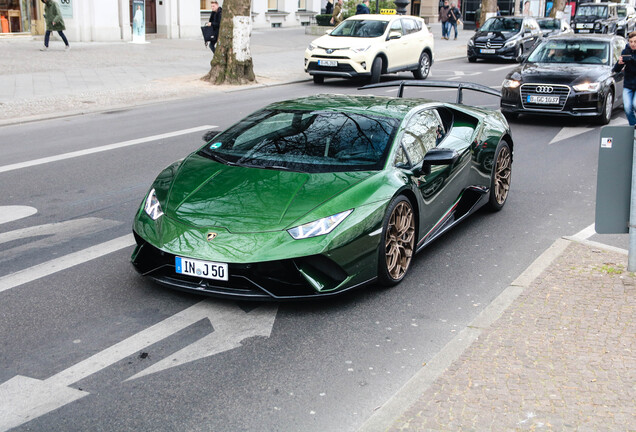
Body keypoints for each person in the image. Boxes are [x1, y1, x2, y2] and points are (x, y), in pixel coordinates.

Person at [614, 31, 636, 125]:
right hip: (628, 85)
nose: (633, 44)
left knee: (635, 104)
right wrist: (619, 63)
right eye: (631, 41)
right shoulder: (625, 51)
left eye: (635, 42)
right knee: (627, 107)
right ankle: (633, 125)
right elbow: (616, 69)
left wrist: (632, 59)